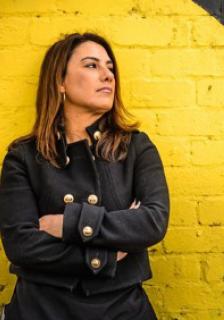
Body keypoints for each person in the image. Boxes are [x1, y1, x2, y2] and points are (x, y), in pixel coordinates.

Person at [0, 32, 169, 319]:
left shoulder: (137, 147)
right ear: (60, 81)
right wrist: (106, 256)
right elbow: (21, 245)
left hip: (122, 310)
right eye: (92, 66)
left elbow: (152, 222)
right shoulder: (23, 156)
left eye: (110, 68)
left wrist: (67, 223)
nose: (108, 76)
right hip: (41, 310)